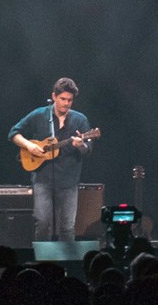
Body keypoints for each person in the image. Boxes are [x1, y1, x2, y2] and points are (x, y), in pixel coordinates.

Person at [8, 78, 98, 242]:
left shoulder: (80, 120)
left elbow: (88, 151)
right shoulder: (40, 115)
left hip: (69, 181)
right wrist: (29, 145)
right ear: (54, 96)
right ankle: (42, 263)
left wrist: (80, 145)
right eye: (62, 99)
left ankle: (68, 264)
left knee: (67, 227)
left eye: (69, 100)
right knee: (42, 223)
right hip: (42, 179)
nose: (66, 103)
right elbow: (14, 133)